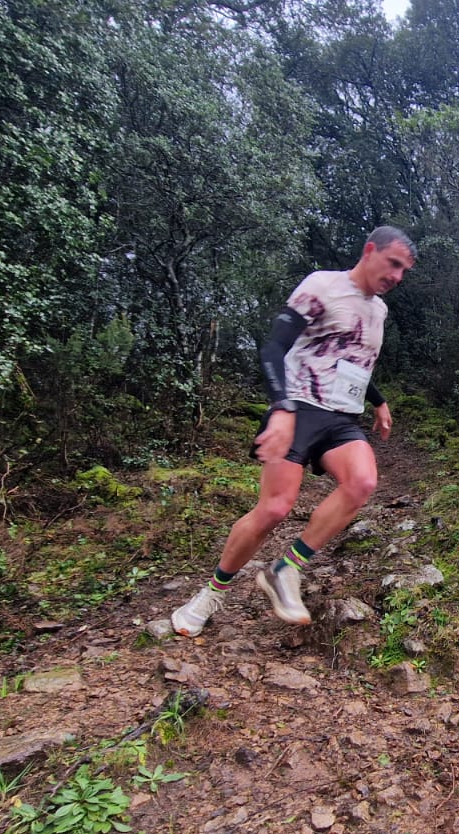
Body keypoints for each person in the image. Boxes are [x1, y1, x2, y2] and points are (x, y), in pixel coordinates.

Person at [171, 226, 416, 636]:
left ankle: (285, 568)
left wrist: (378, 399)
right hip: (299, 405)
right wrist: (282, 409)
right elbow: (273, 347)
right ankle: (211, 593)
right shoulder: (323, 285)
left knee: (362, 482)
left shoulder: (380, 312)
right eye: (393, 264)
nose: (397, 277)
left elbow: (352, 360)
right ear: (369, 250)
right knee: (274, 509)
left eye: (404, 271)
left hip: (341, 416)